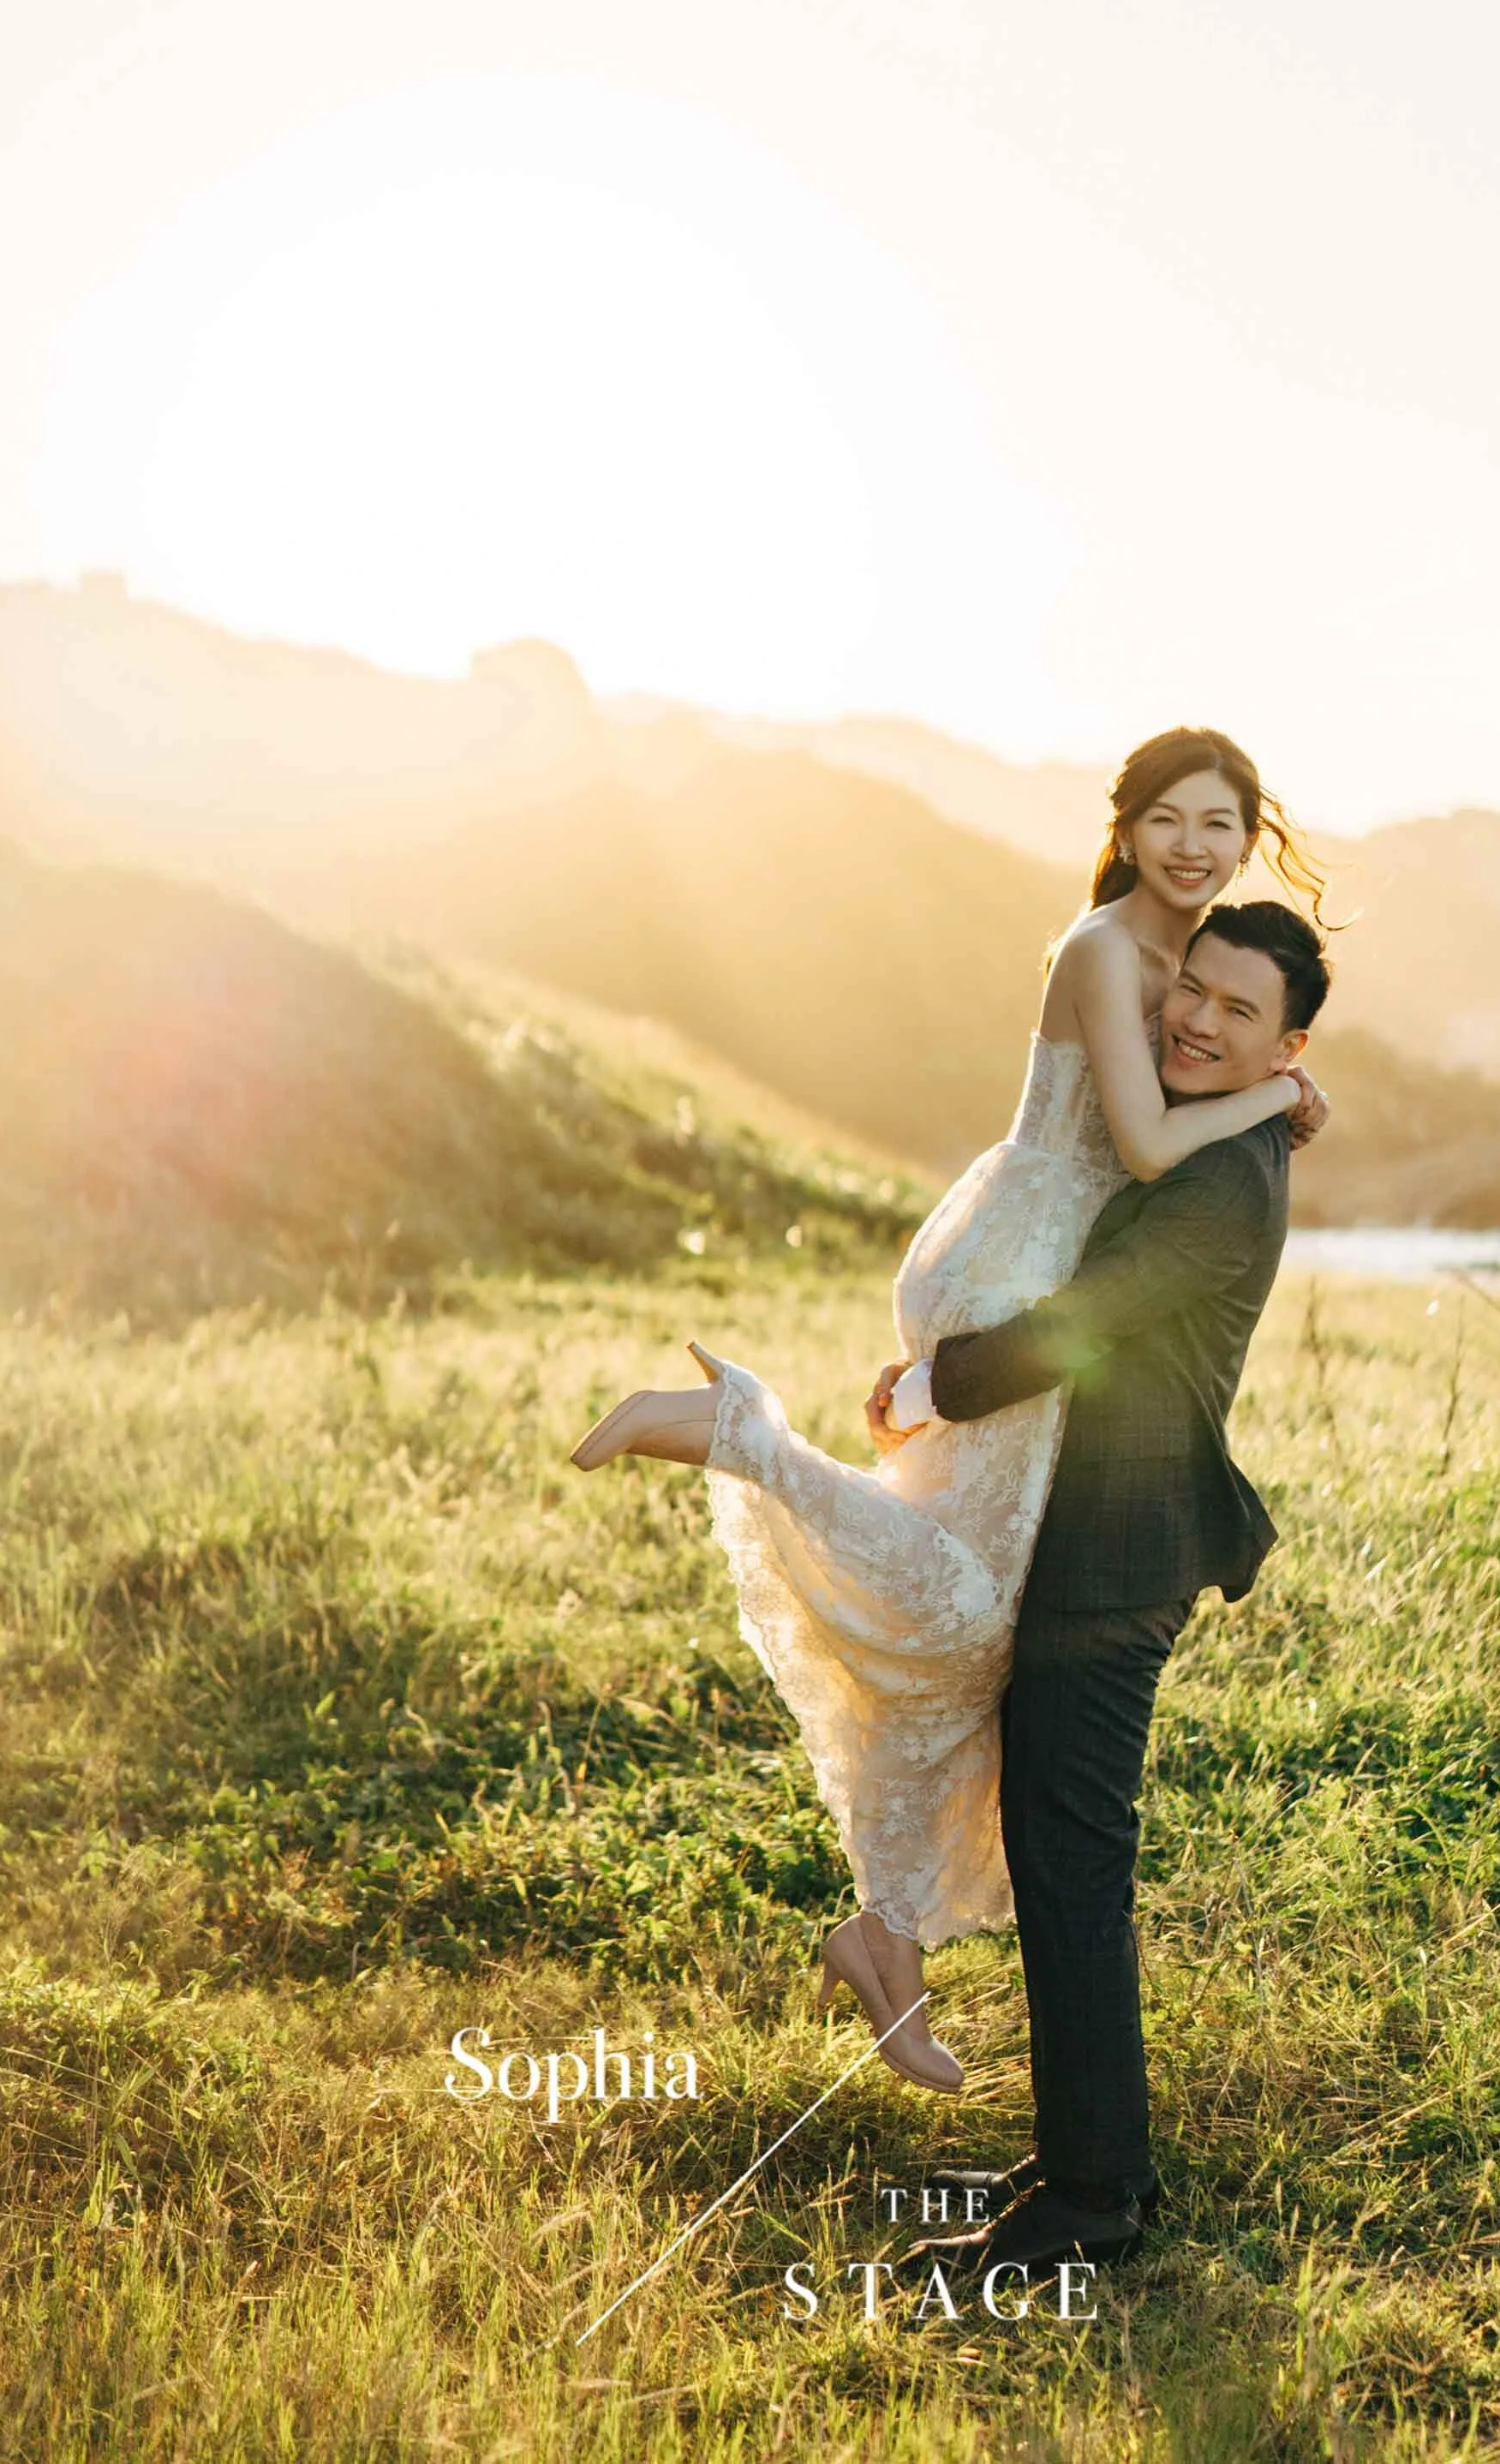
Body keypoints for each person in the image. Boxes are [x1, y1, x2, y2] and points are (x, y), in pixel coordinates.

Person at [568, 727, 1327, 2091]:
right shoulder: (1108, 948)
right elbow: (1150, 1142)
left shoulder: (1198, 964)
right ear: (1130, 824)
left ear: (1251, 834)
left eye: (1221, 824)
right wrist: (1273, 1091)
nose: (1195, 847)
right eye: (1170, 819)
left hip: (1039, 1256)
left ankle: (886, 1936)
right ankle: (733, 1424)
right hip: (1027, 1259)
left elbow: (1178, 1107)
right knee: (969, 1610)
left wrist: (1272, 1084)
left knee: (976, 1634)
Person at [894, 895, 1330, 2281]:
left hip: (1120, 1548)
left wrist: (934, 1386)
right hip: (1088, 1535)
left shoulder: (1227, 1177)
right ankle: (1090, 2154)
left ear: (1289, 1046)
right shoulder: (1212, 1135)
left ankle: (1094, 2201)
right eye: (1191, 987)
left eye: (1238, 1009)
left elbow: (1086, 1325)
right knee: (1060, 1860)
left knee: (1075, 1867)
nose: (1198, 1016)